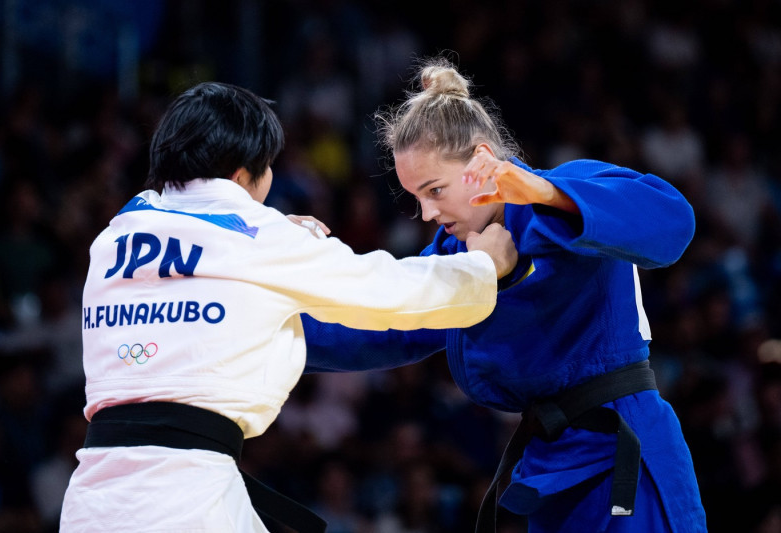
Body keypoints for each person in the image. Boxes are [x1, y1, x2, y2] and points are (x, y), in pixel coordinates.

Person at [58, 81, 519, 533]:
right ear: (243, 174)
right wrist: (482, 268)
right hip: (186, 500)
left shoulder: (115, 235)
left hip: (93, 499)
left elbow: (198, 257)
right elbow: (387, 291)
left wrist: (276, 230)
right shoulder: (261, 238)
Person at [301, 56, 708, 532]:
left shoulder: (565, 191)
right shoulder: (455, 256)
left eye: (435, 190)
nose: (427, 213)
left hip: (625, 454)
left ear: (480, 160)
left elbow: (673, 222)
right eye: (416, 197)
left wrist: (544, 194)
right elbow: (380, 326)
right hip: (551, 466)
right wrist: (246, 317)